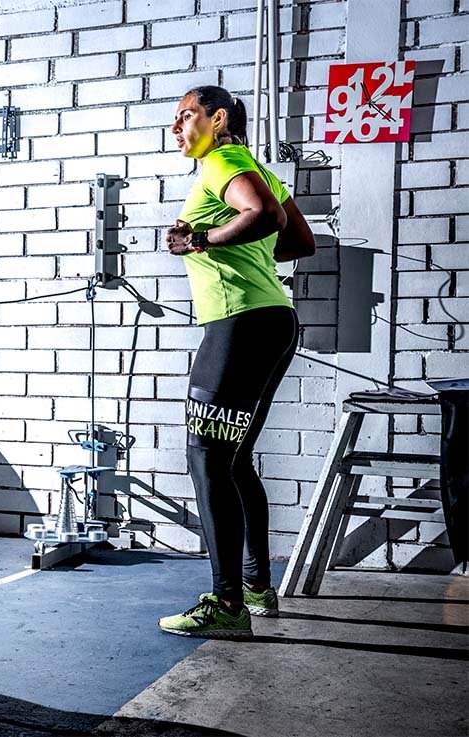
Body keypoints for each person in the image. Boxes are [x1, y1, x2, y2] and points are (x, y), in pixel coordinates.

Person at [157, 85, 315, 639]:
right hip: (273, 321)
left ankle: (226, 603)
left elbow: (264, 215)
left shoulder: (221, 161)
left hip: (239, 324)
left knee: (206, 457)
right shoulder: (257, 167)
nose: (177, 128)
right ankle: (255, 587)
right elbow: (299, 240)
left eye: (186, 116)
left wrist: (200, 238)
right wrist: (236, 244)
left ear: (218, 118)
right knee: (235, 458)